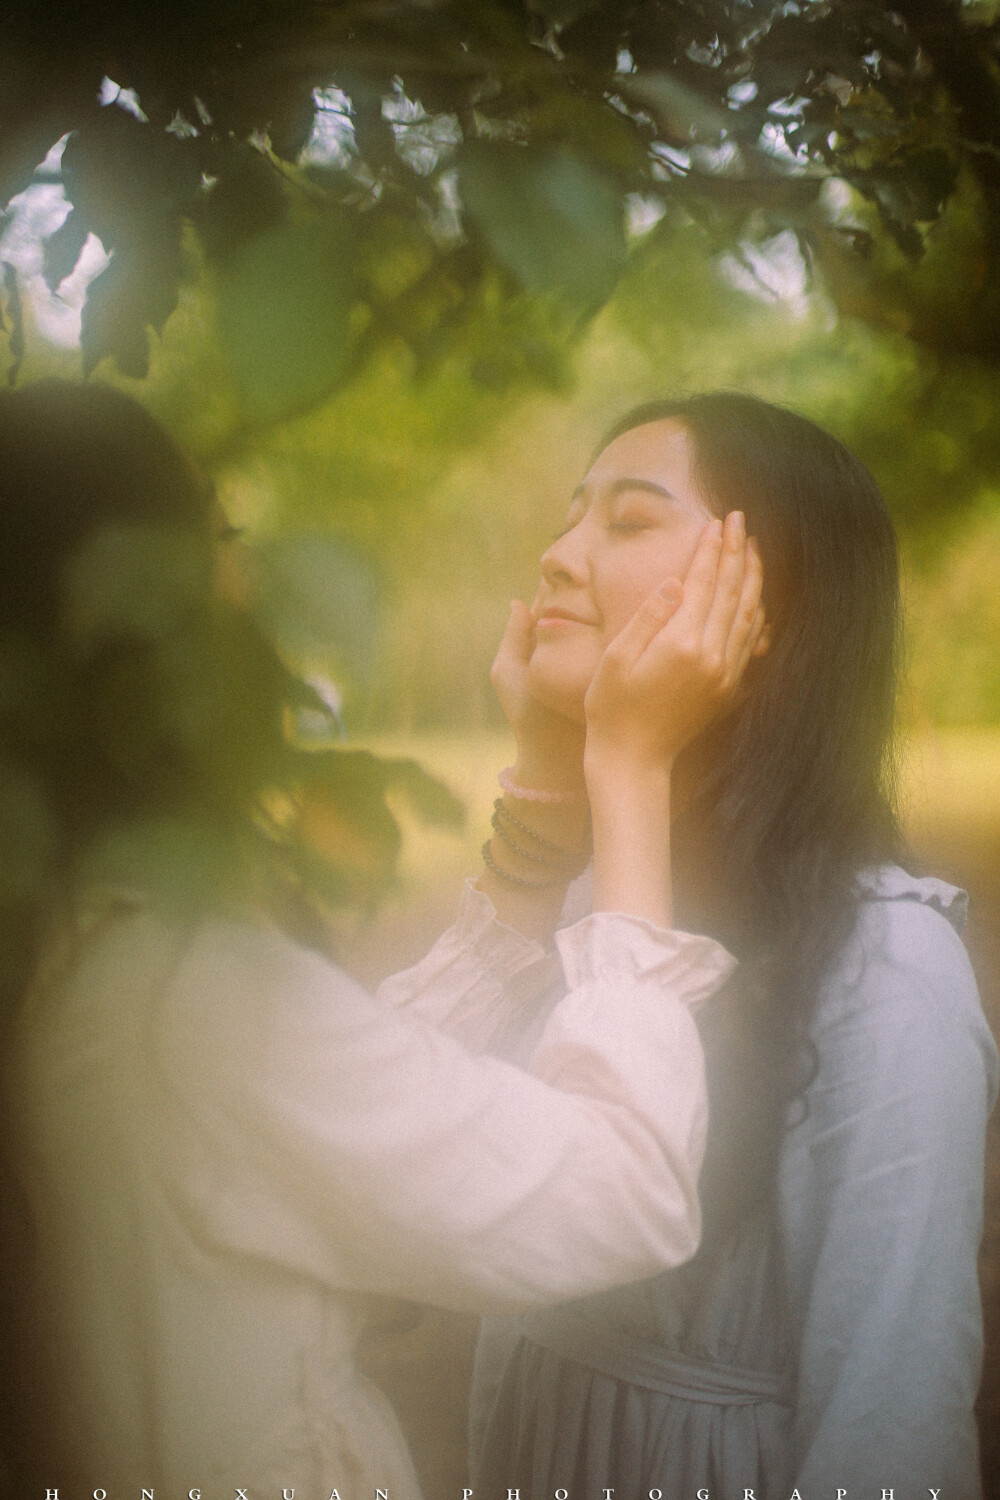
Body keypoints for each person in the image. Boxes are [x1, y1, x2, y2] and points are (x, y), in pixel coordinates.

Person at [0, 380, 758, 1498]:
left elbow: (327, 1109)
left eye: (629, 519)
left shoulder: (85, 939)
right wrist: (630, 772)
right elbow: (624, 1184)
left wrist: (542, 819)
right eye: (219, 538)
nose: (245, 581)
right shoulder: (179, 994)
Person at [391, 394, 998, 1498]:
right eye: (570, 517)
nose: (557, 556)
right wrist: (556, 788)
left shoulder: (887, 970)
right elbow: (396, 1167)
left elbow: (891, 1420)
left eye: (625, 523)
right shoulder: (592, 910)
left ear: (763, 608)